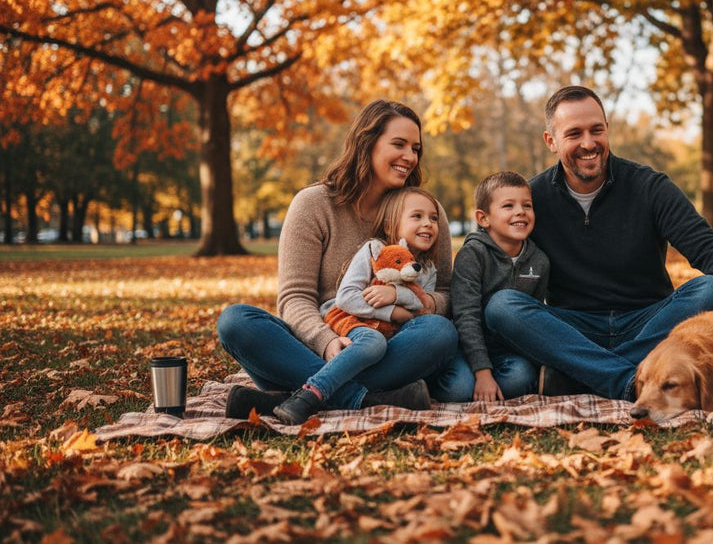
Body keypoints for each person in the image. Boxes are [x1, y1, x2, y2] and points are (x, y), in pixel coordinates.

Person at [484, 85, 713, 401]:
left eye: (597, 130)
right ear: (551, 141)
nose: (588, 143)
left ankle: (582, 373)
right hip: (574, 329)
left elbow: (709, 246)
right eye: (574, 134)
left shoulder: (650, 187)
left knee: (712, 287)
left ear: (608, 131)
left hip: (650, 322)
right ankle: (624, 379)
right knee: (502, 305)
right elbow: (485, 256)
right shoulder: (532, 198)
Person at [218, 100, 458, 419]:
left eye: (415, 148)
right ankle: (366, 399)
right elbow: (294, 298)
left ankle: (300, 395)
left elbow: (445, 293)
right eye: (398, 144)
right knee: (236, 322)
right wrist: (327, 342)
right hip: (320, 345)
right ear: (366, 143)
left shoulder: (425, 211)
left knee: (438, 332)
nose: (410, 157)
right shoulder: (314, 205)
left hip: (390, 345)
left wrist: (413, 303)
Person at [273, 187, 445, 424]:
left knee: (440, 330)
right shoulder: (374, 250)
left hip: (390, 338)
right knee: (238, 320)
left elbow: (421, 307)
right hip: (350, 322)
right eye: (417, 217)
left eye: (433, 219)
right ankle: (314, 393)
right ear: (390, 224)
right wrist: (393, 311)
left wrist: (395, 293)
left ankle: (284, 397)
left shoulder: (426, 269)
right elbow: (346, 298)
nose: (428, 224)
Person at [444, 171, 546, 402]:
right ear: (483, 218)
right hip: (467, 347)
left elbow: (535, 316)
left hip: (505, 353)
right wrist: (481, 371)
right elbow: (465, 315)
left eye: (527, 205)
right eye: (508, 206)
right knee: (458, 389)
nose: (520, 211)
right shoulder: (472, 255)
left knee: (520, 378)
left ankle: (497, 381)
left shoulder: (540, 261)